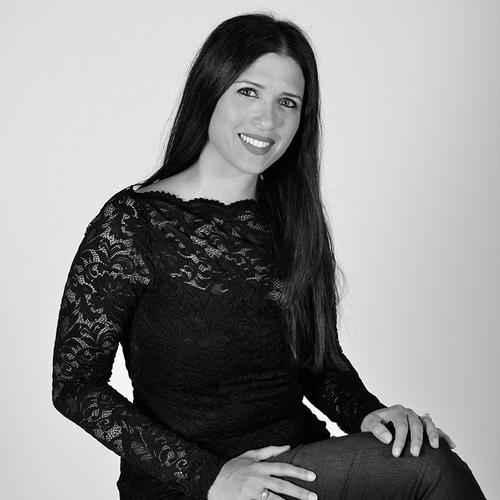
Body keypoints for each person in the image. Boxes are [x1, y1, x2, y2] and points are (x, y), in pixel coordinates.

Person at [51, 12, 486, 500]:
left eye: (287, 103)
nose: (268, 119)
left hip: (299, 465)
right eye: (248, 92)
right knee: (431, 471)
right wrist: (212, 478)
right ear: (210, 91)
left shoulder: (292, 221)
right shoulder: (133, 223)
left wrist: (369, 414)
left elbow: (318, 364)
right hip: (190, 485)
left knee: (424, 455)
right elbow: (75, 386)